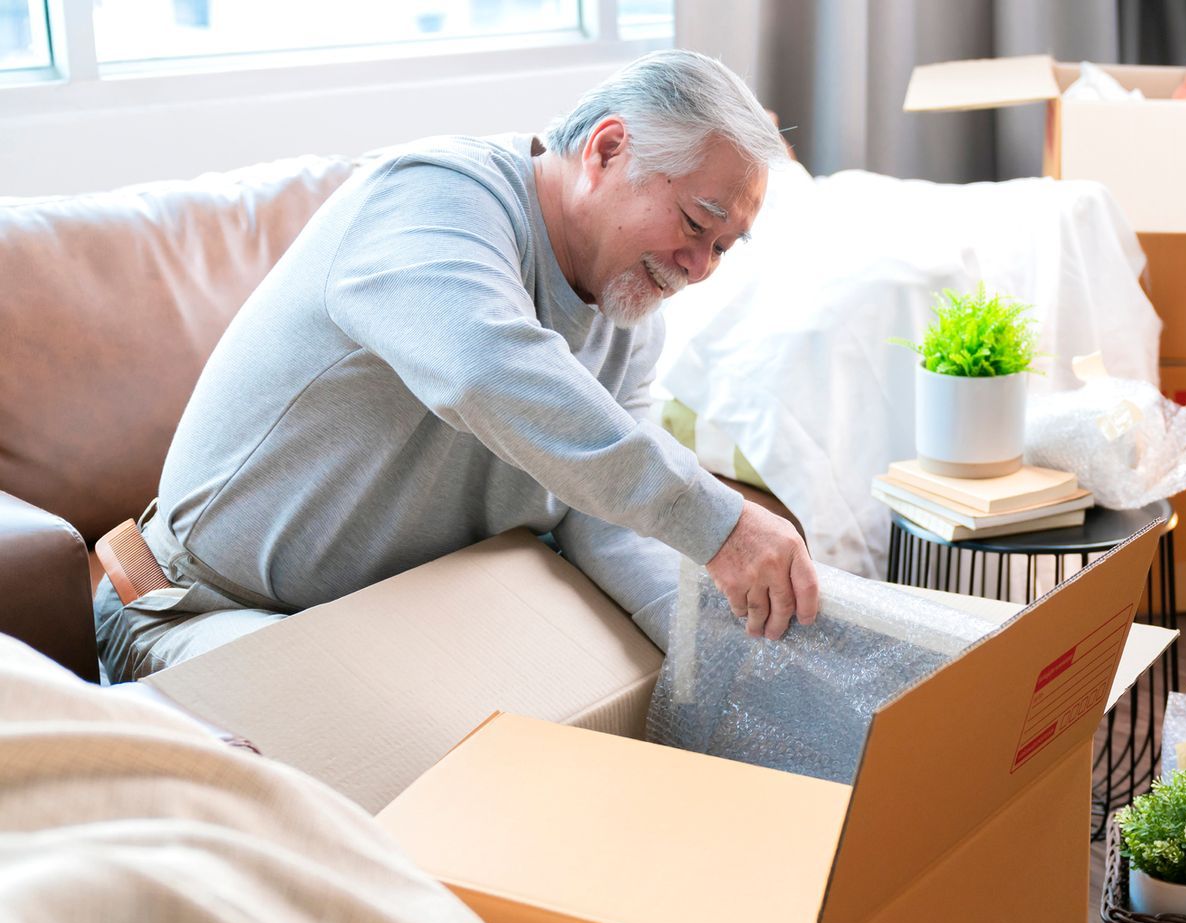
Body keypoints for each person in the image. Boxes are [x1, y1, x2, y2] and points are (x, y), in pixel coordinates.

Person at [93, 49, 817, 684]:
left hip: (385, 632)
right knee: (394, 770)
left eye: (724, 247)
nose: (697, 269)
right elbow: (487, 371)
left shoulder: (629, 314)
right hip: (194, 611)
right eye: (695, 223)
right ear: (607, 150)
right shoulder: (436, 196)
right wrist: (721, 523)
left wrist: (721, 658)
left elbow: (607, 514)